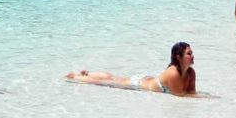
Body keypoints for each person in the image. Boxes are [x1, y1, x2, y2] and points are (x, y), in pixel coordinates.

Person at [65, 42, 198, 96]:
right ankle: (76, 77)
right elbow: (181, 96)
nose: (192, 56)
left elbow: (191, 93)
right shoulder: (173, 73)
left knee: (113, 78)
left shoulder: (191, 72)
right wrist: (207, 98)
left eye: (191, 53)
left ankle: (89, 73)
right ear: (178, 57)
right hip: (138, 84)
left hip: (146, 79)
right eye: (189, 54)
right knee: (107, 82)